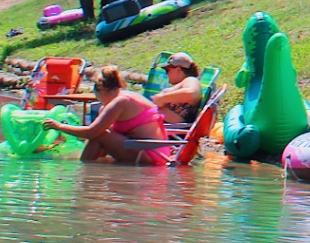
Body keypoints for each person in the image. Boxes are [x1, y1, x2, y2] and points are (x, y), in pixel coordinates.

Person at [43, 64, 171, 165]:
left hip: (152, 155)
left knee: (99, 135)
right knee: (100, 136)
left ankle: (83, 173)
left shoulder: (121, 101)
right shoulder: (124, 97)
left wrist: (58, 126)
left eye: (98, 98)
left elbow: (92, 132)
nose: (100, 102)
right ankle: (90, 176)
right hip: (145, 149)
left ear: (102, 90)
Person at [153, 52, 203, 126]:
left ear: (178, 70)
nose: (166, 74)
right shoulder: (180, 84)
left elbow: (192, 92)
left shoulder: (191, 80)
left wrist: (162, 98)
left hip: (171, 127)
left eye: (167, 70)